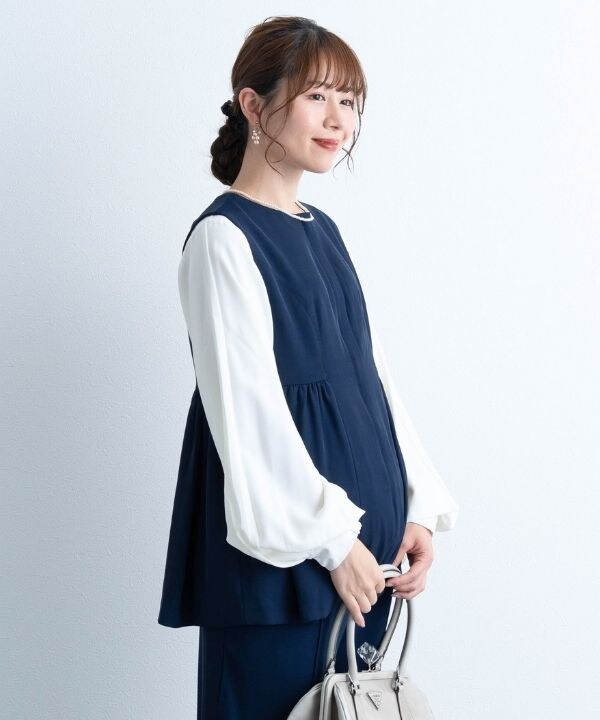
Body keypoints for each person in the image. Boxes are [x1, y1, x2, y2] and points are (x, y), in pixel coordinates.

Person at [157, 15, 459, 720]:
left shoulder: (324, 232)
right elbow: (247, 414)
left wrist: (416, 503)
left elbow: (370, 380)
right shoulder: (223, 239)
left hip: (364, 560)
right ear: (253, 104)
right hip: (294, 561)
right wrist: (334, 542)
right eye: (317, 96)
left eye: (349, 101)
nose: (339, 120)